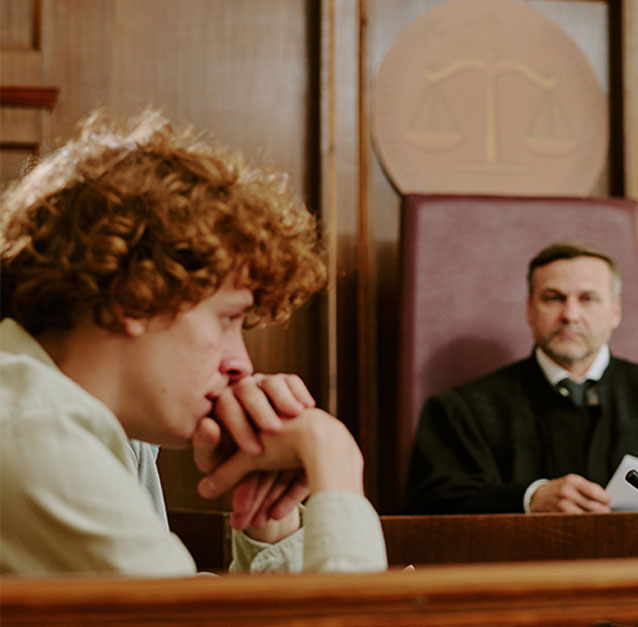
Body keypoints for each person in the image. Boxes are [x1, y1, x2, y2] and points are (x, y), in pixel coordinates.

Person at [0, 111, 386, 575]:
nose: (241, 364)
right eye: (227, 319)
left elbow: (188, 609)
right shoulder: (36, 429)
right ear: (135, 294)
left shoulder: (107, 432)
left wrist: (273, 524)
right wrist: (334, 459)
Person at [404, 242, 638, 514]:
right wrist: (529, 498)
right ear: (529, 309)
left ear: (615, 311)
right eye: (553, 298)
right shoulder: (462, 411)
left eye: (587, 298)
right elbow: (430, 504)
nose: (570, 314)